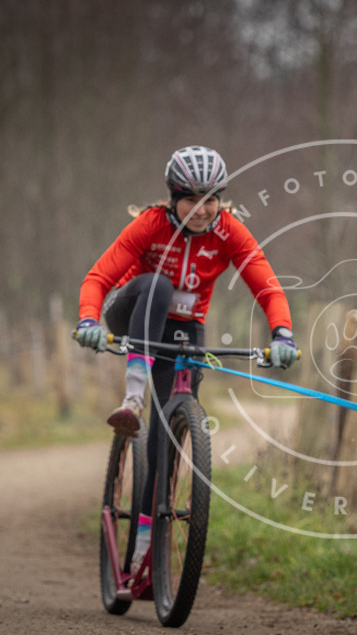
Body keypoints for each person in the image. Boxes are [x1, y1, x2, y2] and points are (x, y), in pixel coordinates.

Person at [74, 145, 298, 573]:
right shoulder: (150, 224)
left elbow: (267, 287)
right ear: (174, 197)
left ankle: (142, 550)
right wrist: (88, 320)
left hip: (184, 328)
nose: (201, 209)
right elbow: (99, 277)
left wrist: (282, 333)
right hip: (133, 308)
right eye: (192, 199)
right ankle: (133, 397)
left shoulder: (230, 231)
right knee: (157, 286)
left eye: (210, 199)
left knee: (164, 447)